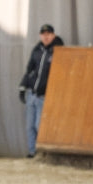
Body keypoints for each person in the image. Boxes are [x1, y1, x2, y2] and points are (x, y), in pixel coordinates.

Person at [19, 24, 64, 158]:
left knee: (40, 125)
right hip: (32, 93)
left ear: (53, 35)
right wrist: (23, 86)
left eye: (48, 34)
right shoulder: (37, 50)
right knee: (30, 126)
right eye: (43, 34)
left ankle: (43, 153)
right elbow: (30, 70)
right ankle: (33, 152)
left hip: (45, 95)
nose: (46, 36)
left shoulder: (58, 51)